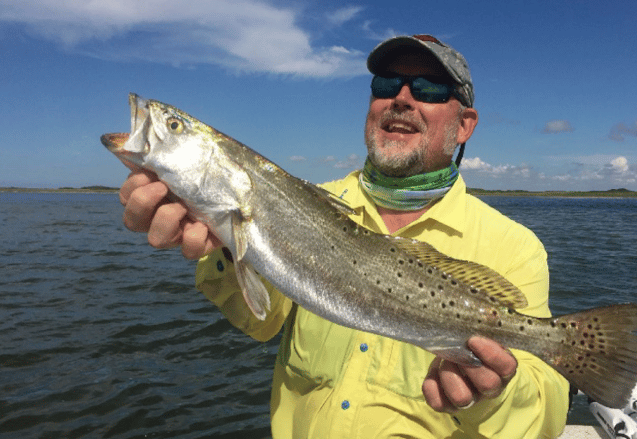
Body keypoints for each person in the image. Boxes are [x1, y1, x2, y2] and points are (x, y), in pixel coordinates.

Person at [119, 34, 570, 438]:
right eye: (386, 85)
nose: (402, 98)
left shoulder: (514, 245)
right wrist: (218, 247)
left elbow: (546, 417)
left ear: (465, 124)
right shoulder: (310, 200)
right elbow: (262, 320)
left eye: (429, 89)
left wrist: (494, 395)